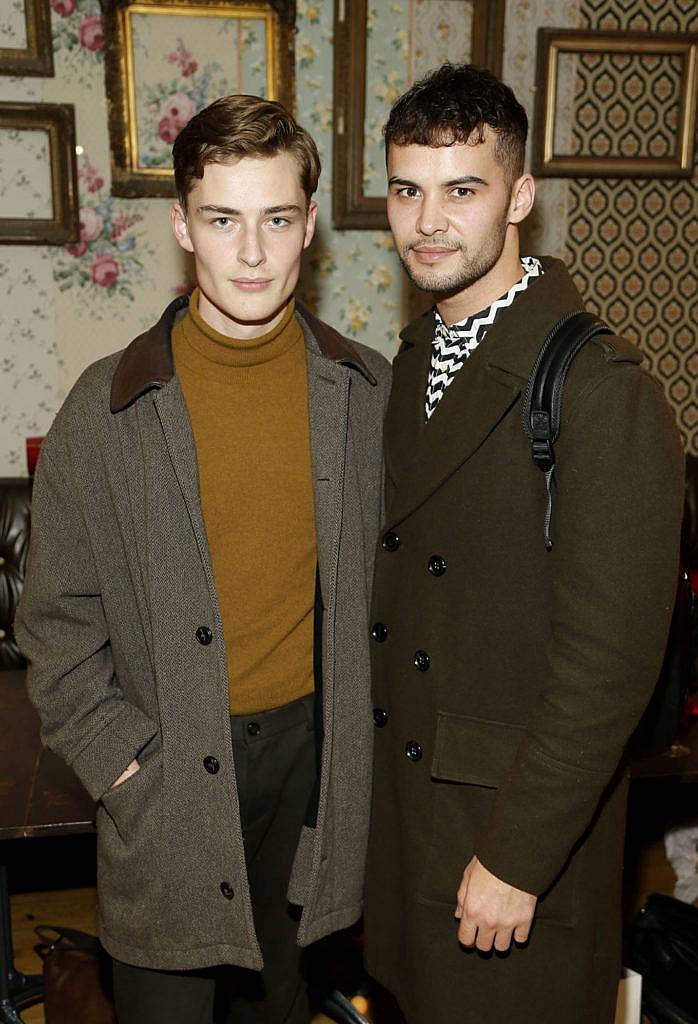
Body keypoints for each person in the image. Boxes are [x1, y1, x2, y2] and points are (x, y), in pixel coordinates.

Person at [15, 95, 390, 1024]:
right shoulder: (105, 411)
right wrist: (126, 769)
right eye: (224, 220)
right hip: (169, 776)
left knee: (280, 1002)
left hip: (312, 773)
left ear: (310, 225)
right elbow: (54, 622)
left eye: (275, 219)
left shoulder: (367, 394)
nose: (253, 253)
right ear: (184, 227)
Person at [363, 63, 684, 1024]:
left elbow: (610, 666)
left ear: (520, 198)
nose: (429, 222)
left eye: (463, 191)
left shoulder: (600, 386)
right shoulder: (415, 356)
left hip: (510, 828)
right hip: (416, 811)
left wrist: (517, 856)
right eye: (408, 189)